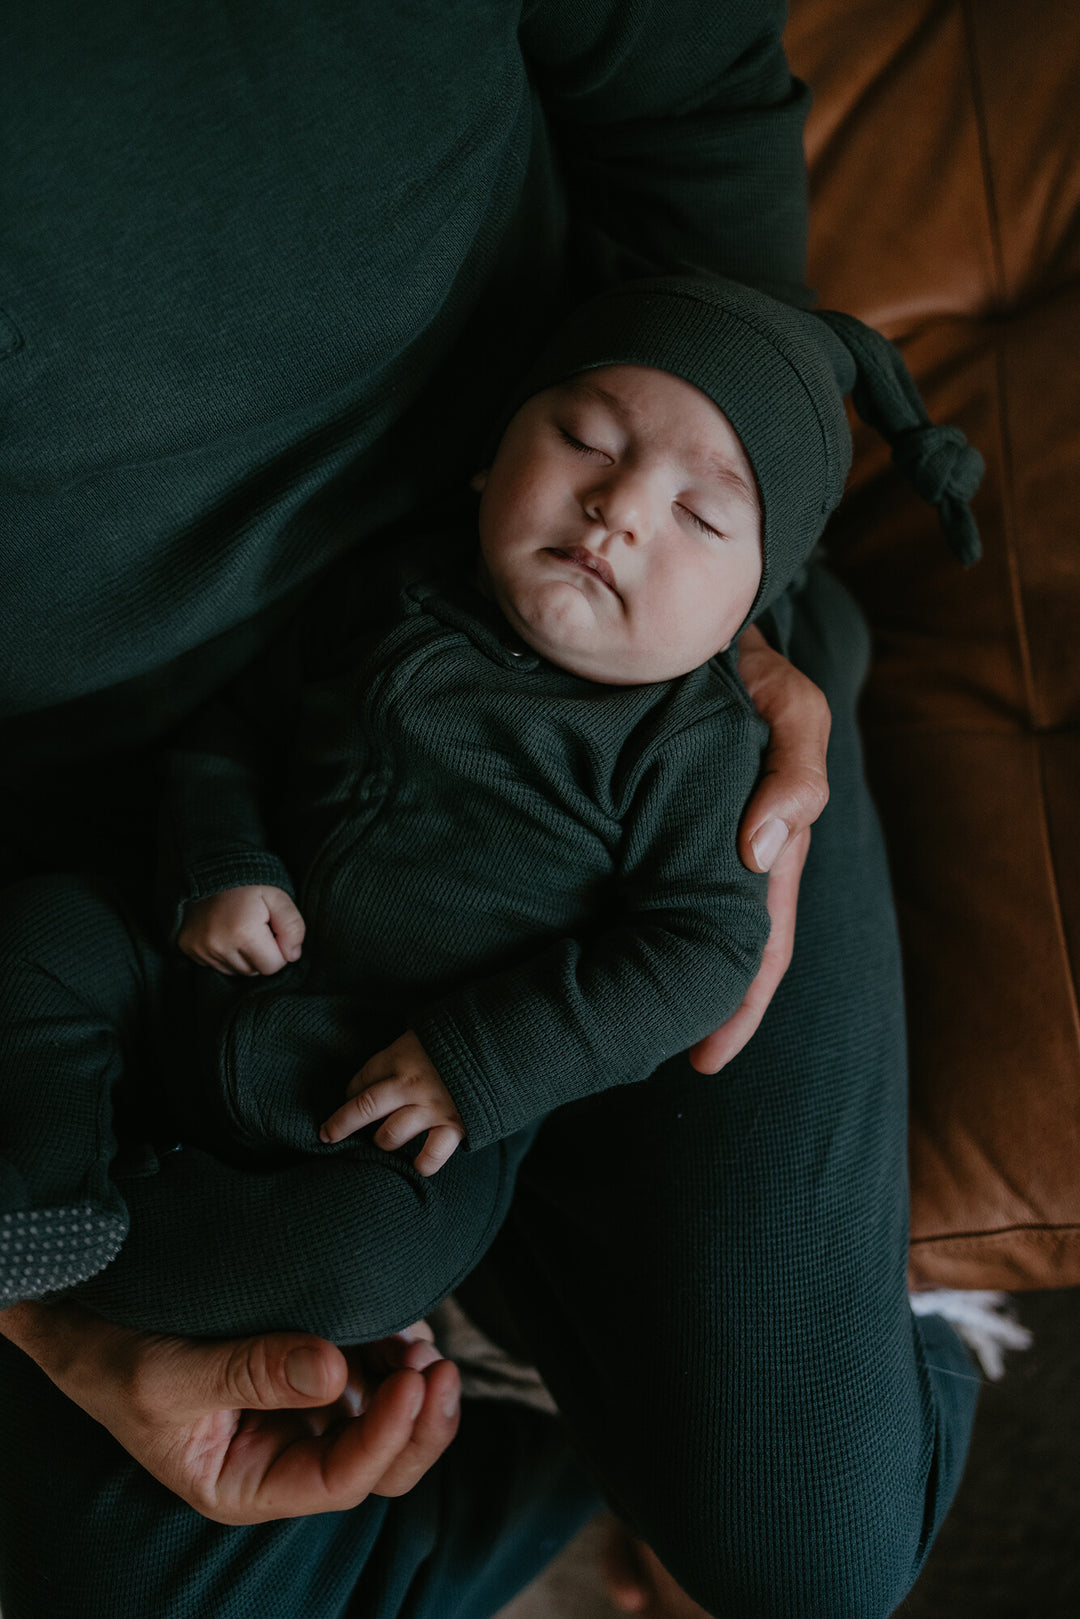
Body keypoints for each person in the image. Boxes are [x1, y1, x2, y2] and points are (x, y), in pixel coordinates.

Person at [0, 5, 984, 1617]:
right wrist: (217, 868)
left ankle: (797, 1352)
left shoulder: (694, 746)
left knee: (817, 1556)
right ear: (495, 461)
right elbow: (234, 744)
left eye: (696, 504)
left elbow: (690, 948)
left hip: (483, 1039)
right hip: (141, 870)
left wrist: (752, 640)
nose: (613, 505)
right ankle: (113, 1259)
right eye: (588, 442)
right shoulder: (382, 616)